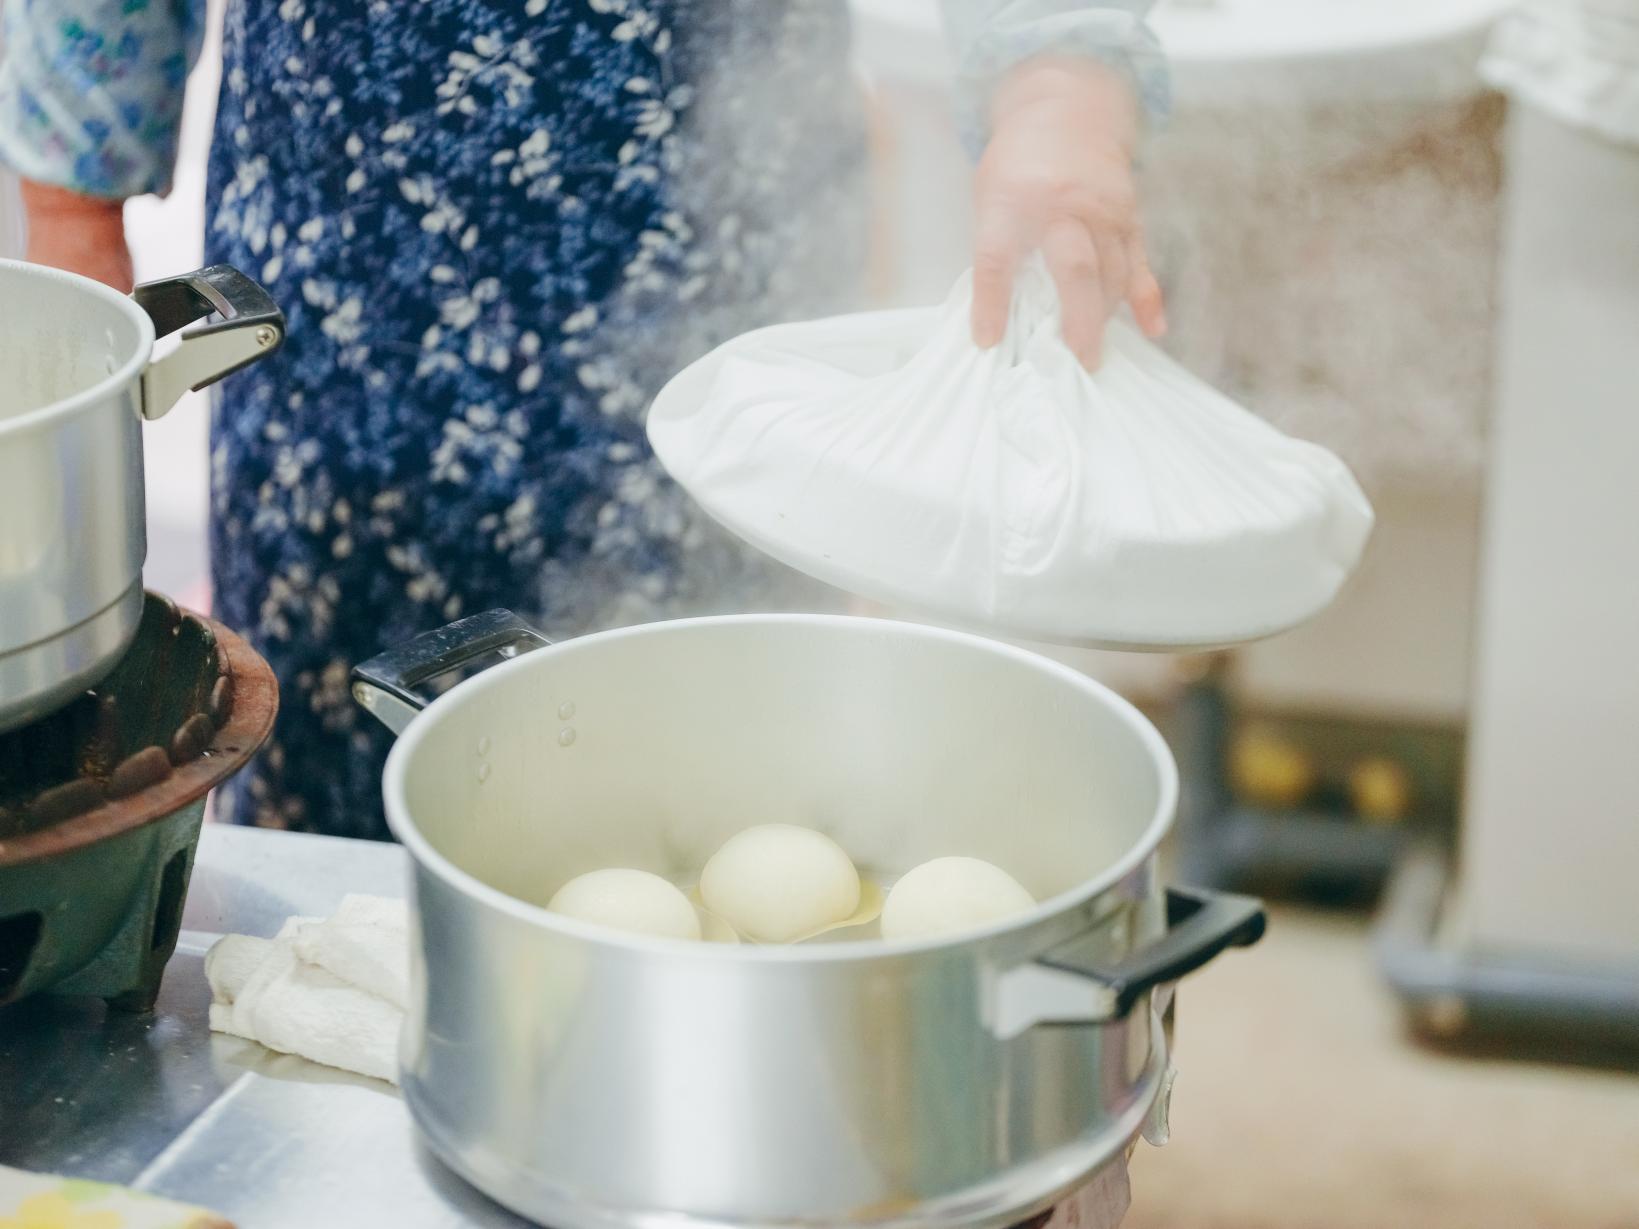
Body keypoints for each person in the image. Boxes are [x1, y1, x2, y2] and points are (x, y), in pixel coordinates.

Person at [0, 0, 1168, 838]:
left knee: (733, 809)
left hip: (731, 302)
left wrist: (1061, 92)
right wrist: (69, 211)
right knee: (346, 855)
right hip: (347, 298)